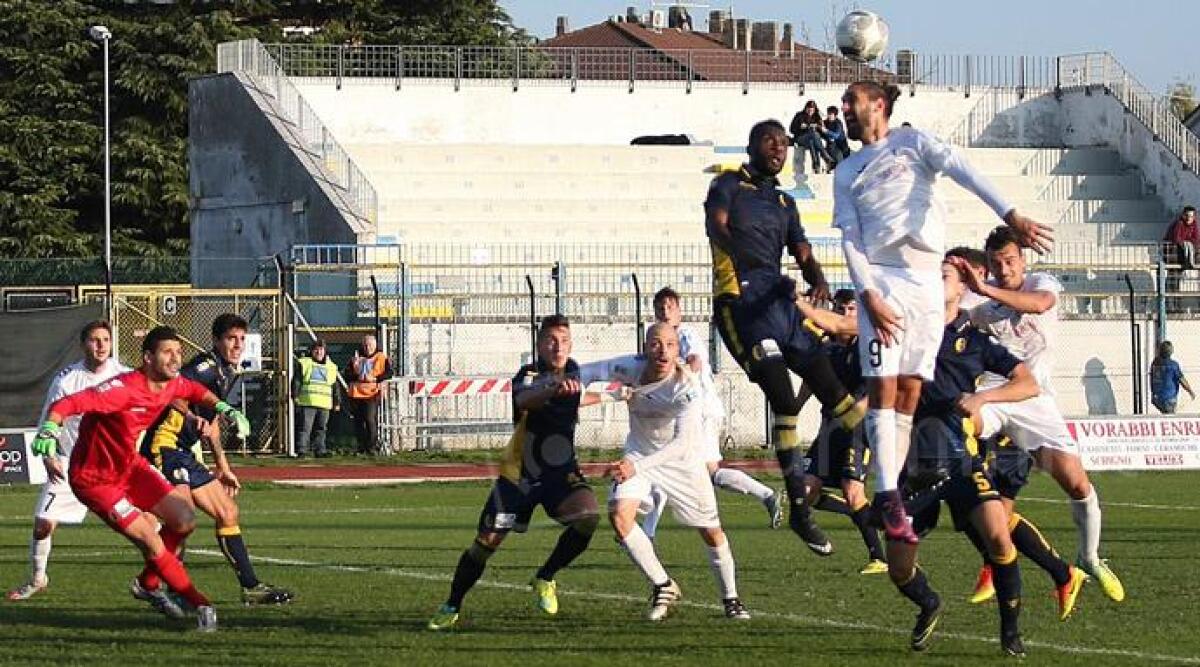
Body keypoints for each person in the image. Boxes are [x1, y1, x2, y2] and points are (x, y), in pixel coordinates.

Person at [834, 80, 1051, 544]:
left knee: (910, 390)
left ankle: (892, 495)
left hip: (924, 282)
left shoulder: (913, 143)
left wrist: (1011, 215)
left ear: (878, 105)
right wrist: (867, 293)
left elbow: (963, 170)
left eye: (852, 101)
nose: (845, 108)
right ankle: (887, 495)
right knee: (883, 385)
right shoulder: (847, 170)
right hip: (882, 280)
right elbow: (850, 238)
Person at [706, 118, 865, 555]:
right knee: (782, 395)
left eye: (783, 143)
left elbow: (803, 250)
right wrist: (749, 259)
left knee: (846, 407)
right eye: (770, 141)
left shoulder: (784, 201)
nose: (779, 149)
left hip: (782, 307)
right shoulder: (727, 185)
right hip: (741, 305)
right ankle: (799, 507)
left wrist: (818, 279)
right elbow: (717, 227)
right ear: (752, 146)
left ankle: (890, 485)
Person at [31, 326, 249, 631]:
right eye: (167, 352)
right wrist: (49, 429)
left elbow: (195, 391)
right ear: (147, 357)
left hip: (130, 467)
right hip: (95, 480)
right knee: (151, 539)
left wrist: (225, 409)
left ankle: (147, 584)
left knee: (184, 520)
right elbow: (67, 404)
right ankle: (200, 604)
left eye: (178, 352)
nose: (176, 358)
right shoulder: (122, 389)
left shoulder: (171, 383)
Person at [952, 225, 1124, 601]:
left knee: (1078, 485)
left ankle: (1089, 558)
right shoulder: (980, 298)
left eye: (1009, 261)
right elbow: (950, 312)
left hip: (1036, 401)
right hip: (994, 396)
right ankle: (976, 514)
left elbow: (1041, 304)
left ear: (1022, 260)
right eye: (996, 263)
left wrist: (984, 290)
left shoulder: (1039, 283)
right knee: (959, 424)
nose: (1004, 269)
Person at [892, 257, 1042, 656]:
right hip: (913, 466)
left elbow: (1028, 384)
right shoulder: (907, 331)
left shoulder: (975, 341)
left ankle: (1011, 633)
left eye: (944, 276)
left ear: (962, 288)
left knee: (999, 537)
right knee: (899, 568)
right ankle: (929, 603)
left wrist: (983, 398)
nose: (934, 281)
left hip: (961, 461)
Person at [428, 315, 602, 631]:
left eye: (564, 341)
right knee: (484, 545)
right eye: (551, 340)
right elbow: (524, 399)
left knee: (588, 517)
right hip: (519, 475)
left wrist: (614, 394)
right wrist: (552, 389)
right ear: (539, 344)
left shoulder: (575, 370)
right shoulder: (528, 374)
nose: (558, 347)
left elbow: (577, 398)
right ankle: (452, 604)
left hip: (560, 473)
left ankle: (545, 577)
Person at [591, 323, 750, 621]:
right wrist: (557, 377)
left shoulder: (686, 386)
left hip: (682, 462)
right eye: (655, 343)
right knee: (619, 516)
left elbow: (682, 444)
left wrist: (634, 467)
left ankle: (731, 599)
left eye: (670, 344)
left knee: (711, 531)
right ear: (645, 348)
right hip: (640, 452)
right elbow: (586, 372)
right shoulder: (629, 368)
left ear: (678, 350)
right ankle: (663, 585)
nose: (662, 350)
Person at [141, 313, 294, 606]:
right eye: (231, 339)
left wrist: (223, 466)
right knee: (182, 518)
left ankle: (250, 588)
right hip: (164, 447)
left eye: (241, 339)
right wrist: (189, 415)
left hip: (184, 452)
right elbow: (174, 389)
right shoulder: (206, 367)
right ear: (216, 341)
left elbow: (211, 426)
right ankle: (167, 588)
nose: (237, 345)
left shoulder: (226, 371)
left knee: (228, 511)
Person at [640, 287, 782, 539]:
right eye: (660, 308)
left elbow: (695, 361)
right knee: (683, 466)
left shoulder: (685, 335)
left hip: (701, 412)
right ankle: (647, 532)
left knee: (694, 469)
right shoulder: (661, 342)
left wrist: (680, 376)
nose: (665, 313)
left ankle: (767, 495)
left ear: (679, 311)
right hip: (689, 412)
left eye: (670, 307)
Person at [8, 321, 128, 601]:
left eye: (106, 339)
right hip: (72, 464)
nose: (101, 345)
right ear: (83, 345)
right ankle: (38, 578)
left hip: (113, 465)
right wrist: (49, 455)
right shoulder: (67, 380)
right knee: (43, 525)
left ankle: (162, 582)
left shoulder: (124, 375)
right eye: (95, 340)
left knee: (149, 523)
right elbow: (49, 420)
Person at [793, 290, 887, 572]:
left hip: (857, 429)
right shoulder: (825, 346)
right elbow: (812, 380)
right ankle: (858, 512)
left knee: (852, 490)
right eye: (841, 309)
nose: (846, 314)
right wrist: (794, 407)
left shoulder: (868, 345)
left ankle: (879, 558)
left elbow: (880, 383)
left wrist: (859, 410)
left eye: (851, 309)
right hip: (829, 427)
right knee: (805, 491)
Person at [346, 333, 392, 455]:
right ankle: (361, 447)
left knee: (370, 419)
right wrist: (357, 374)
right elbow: (347, 374)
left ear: (375, 345)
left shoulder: (381, 357)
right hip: (356, 394)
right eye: (365, 345)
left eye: (370, 345)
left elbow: (389, 373)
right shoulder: (356, 358)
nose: (368, 348)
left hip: (372, 394)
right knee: (358, 421)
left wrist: (375, 379)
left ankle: (371, 447)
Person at [293, 338, 339, 457]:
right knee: (305, 428)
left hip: (324, 403)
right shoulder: (305, 363)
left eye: (321, 350)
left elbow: (335, 386)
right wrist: (295, 395)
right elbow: (297, 381)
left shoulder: (331, 367)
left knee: (321, 428)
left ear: (325, 351)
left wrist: (337, 401)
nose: (319, 352)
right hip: (308, 402)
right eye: (316, 350)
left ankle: (320, 450)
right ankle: (302, 450)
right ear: (312, 351)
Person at [788, 100, 833, 175]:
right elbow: (791, 129)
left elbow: (822, 131)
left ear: (814, 110)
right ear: (806, 108)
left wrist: (819, 127)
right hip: (800, 138)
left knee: (812, 141)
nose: (810, 111)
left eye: (812, 110)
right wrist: (800, 127)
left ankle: (816, 167)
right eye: (809, 109)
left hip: (812, 140)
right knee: (813, 134)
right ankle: (826, 157)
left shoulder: (817, 117)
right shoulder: (799, 115)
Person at [1150, 340, 1194, 414]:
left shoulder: (1154, 363)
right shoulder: (1173, 365)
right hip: (1169, 398)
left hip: (1157, 397)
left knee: (1164, 414)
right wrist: (1190, 391)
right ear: (1171, 351)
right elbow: (1182, 380)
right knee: (1169, 416)